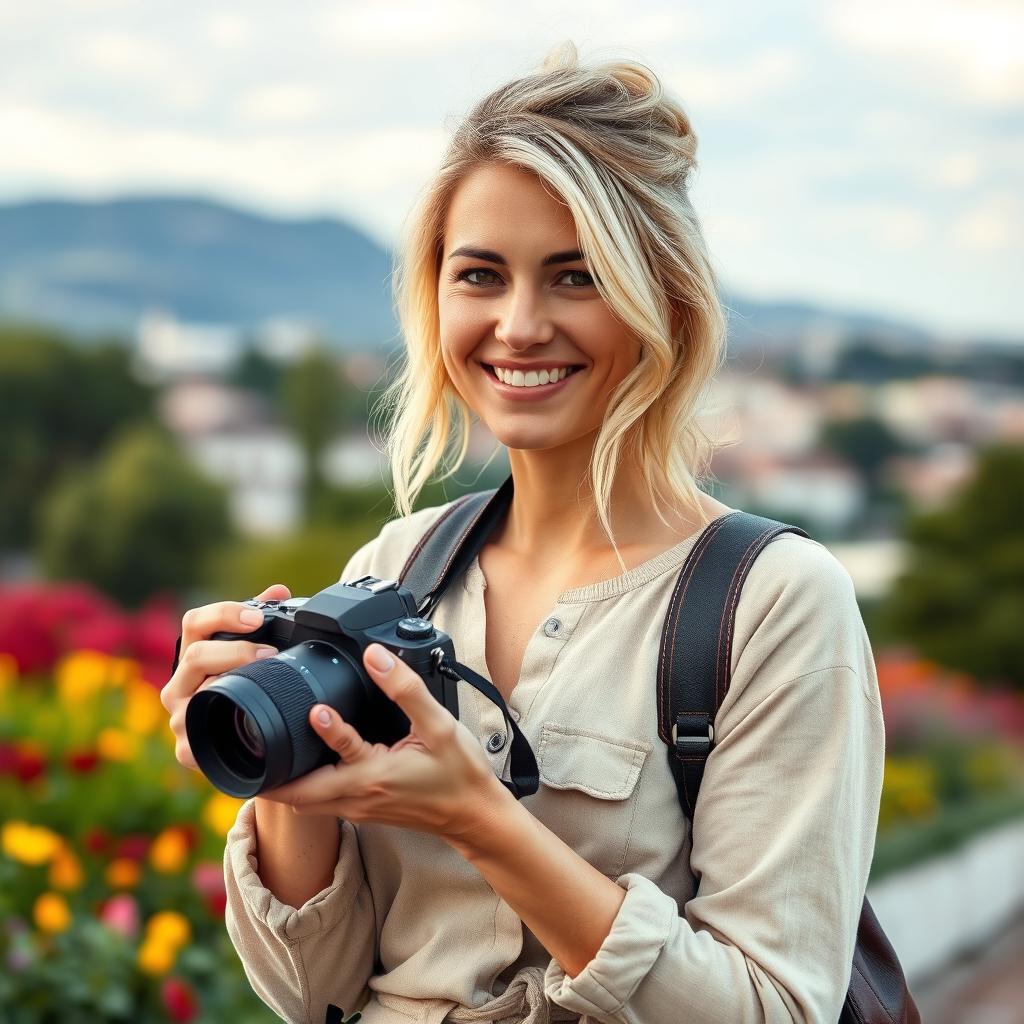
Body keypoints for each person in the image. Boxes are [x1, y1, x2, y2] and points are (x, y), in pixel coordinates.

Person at [161, 41, 884, 1024]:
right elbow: (309, 993)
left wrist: (478, 818)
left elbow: (772, 1007)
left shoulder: (769, 602)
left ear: (660, 297)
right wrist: (288, 766)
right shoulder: (395, 570)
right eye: (480, 275)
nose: (518, 325)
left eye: (575, 276)